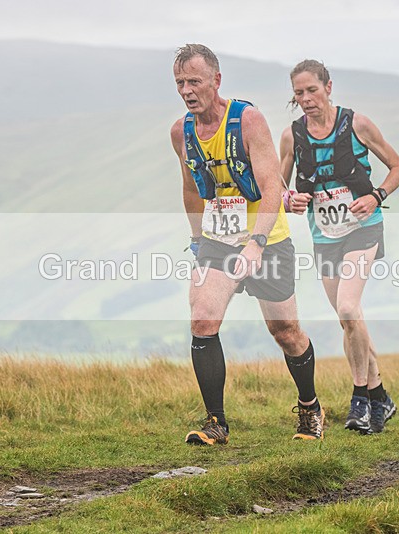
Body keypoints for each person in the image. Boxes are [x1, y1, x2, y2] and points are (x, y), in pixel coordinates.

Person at [170, 44, 325, 445]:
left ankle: (309, 407)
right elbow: (190, 188)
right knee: (203, 320)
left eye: (195, 81)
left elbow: (272, 186)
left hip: (267, 238)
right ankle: (215, 423)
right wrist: (195, 241)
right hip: (218, 240)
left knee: (285, 330)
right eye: (180, 83)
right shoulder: (181, 132)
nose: (187, 90)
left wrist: (256, 243)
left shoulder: (247, 121)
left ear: (216, 81)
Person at [280, 59, 399, 434]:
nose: (306, 99)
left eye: (312, 90)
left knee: (349, 307)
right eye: (299, 93)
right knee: (350, 319)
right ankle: (381, 395)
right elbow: (279, 187)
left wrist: (377, 195)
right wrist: (291, 200)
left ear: (328, 87)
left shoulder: (358, 124)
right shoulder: (291, 136)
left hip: (363, 228)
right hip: (324, 236)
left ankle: (360, 400)